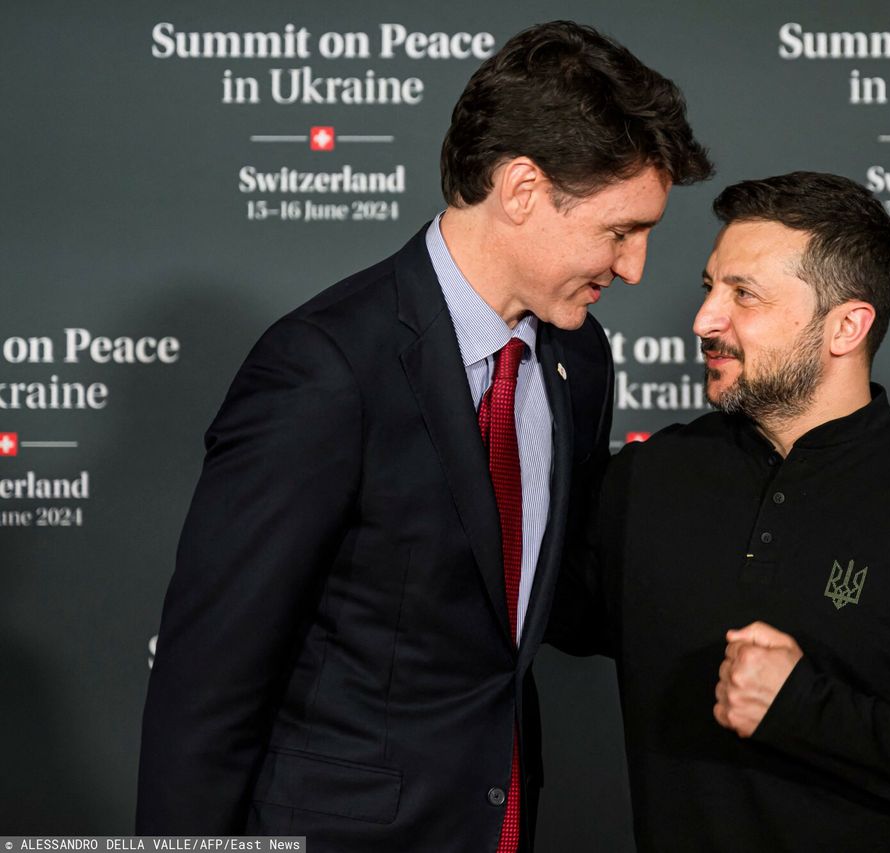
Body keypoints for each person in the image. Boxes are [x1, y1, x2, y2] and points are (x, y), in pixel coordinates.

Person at [136, 21, 712, 850]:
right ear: (521, 188)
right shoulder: (326, 369)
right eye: (620, 230)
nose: (634, 268)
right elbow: (208, 685)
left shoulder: (578, 359)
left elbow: (548, 600)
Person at [556, 172, 890, 851]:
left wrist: (804, 709)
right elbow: (534, 605)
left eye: (744, 295)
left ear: (846, 325)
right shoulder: (649, 476)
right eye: (710, 287)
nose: (705, 320)